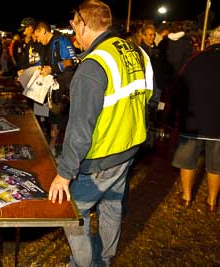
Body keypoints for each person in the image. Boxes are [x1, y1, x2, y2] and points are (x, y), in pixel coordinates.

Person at [48, 0, 154, 266]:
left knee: (76, 212)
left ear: (83, 24)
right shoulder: (135, 50)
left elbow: (80, 128)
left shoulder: (93, 65)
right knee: (111, 205)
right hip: (128, 147)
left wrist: (64, 174)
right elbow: (150, 96)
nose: (73, 33)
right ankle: (105, 258)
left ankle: (84, 263)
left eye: (73, 25)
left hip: (102, 154)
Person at [171, 26, 220, 213]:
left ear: (211, 40)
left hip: (193, 122)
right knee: (216, 166)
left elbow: (177, 87)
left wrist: (175, 113)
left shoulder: (195, 60)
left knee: (188, 161)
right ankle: (212, 201)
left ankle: (186, 197)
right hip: (218, 125)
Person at [33, 21, 77, 156]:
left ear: (43, 31)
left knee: (58, 118)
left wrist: (53, 68)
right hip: (48, 86)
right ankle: (48, 142)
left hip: (63, 87)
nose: (37, 39)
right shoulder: (43, 46)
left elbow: (73, 61)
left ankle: (54, 147)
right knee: (46, 115)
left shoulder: (61, 41)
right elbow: (42, 63)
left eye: (37, 35)